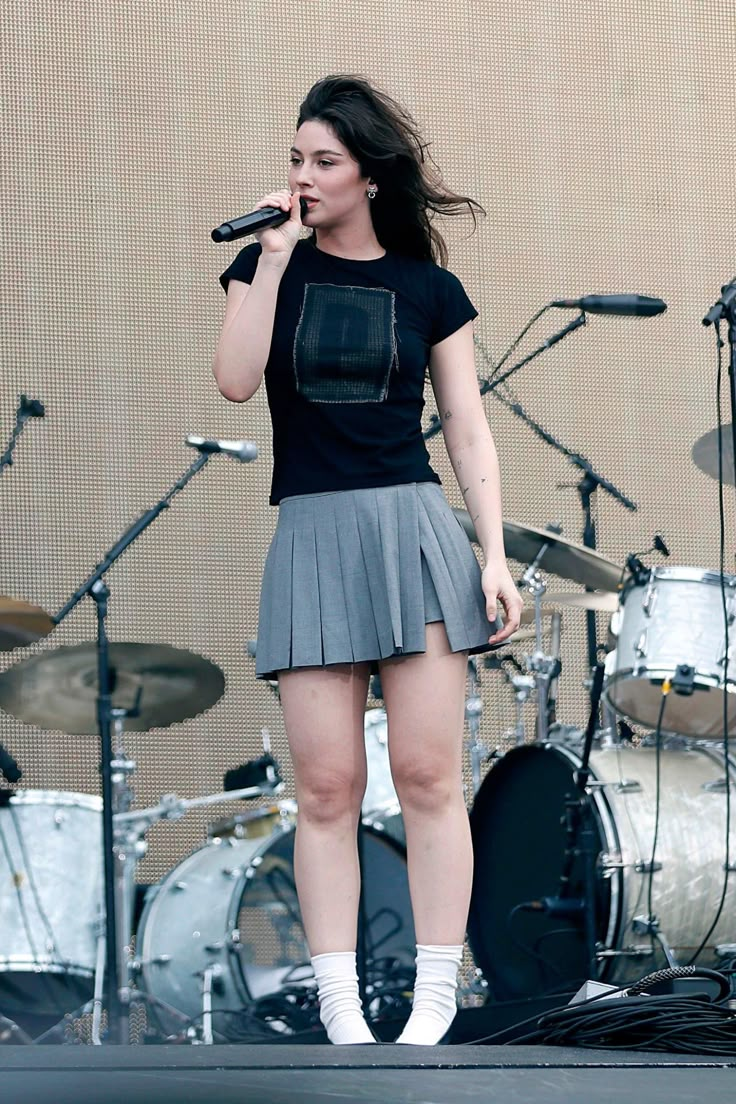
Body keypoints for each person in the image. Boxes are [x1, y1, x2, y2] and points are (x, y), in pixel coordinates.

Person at [213, 75, 522, 1045]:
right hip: (311, 533)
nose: (302, 177)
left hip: (412, 531)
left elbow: (468, 431)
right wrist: (267, 261)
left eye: (323, 162)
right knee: (327, 788)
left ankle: (434, 995)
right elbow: (231, 382)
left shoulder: (428, 291)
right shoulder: (273, 272)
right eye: (296, 159)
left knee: (429, 776)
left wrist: (495, 555)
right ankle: (341, 1003)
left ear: (368, 178)